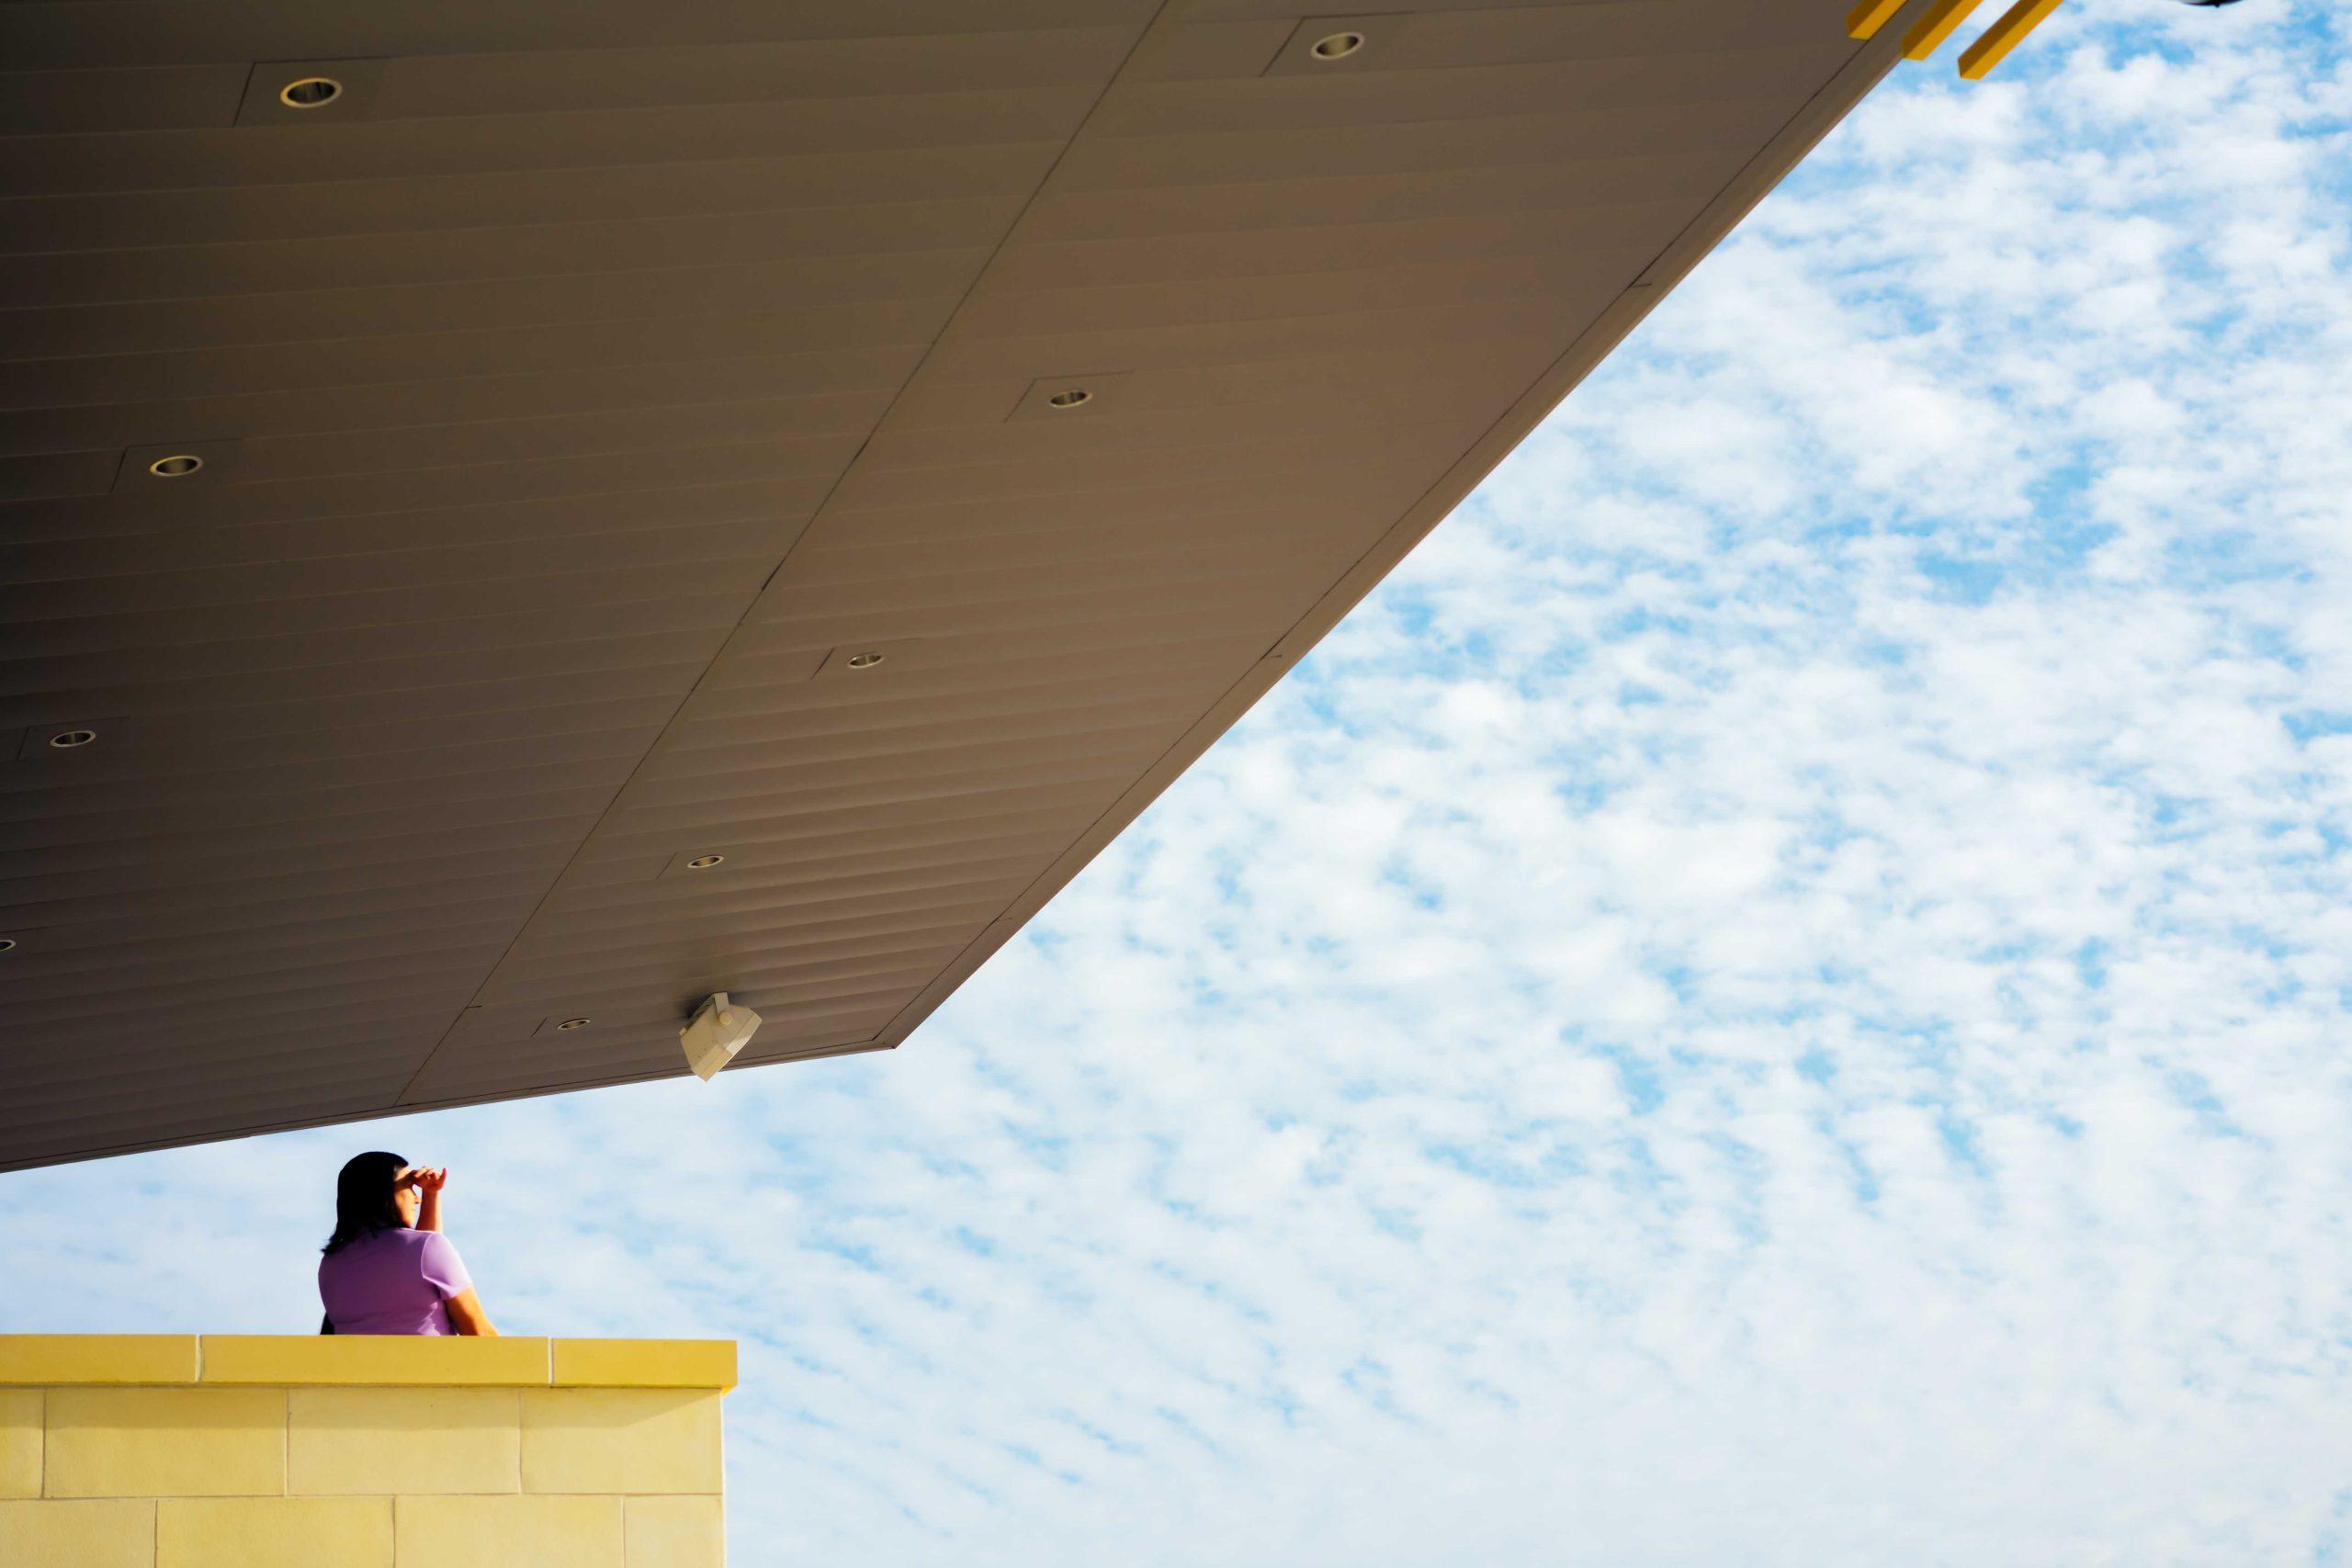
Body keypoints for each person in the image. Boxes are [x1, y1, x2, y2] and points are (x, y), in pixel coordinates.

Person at [317, 1151, 498, 1336]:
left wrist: (431, 1194)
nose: (416, 1198)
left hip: (357, 1364)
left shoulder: (330, 1264)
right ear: (384, 1191)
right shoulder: (426, 1248)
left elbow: (415, 1266)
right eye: (410, 1186)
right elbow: (479, 1332)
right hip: (431, 1364)